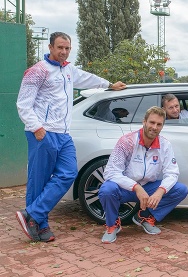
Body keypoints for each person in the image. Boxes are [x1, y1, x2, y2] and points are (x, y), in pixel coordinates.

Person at [16, 31, 127, 242]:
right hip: (43, 132)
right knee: (38, 180)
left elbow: (87, 78)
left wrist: (109, 84)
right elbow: (23, 104)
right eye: (60, 48)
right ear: (50, 47)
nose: (64, 52)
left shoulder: (68, 69)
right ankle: (40, 226)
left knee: (67, 174)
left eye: (67, 48)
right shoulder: (37, 71)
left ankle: (32, 214)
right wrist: (36, 127)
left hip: (64, 134)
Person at [98, 106, 188, 243]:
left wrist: (160, 191)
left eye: (159, 124)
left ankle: (144, 217)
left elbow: (172, 173)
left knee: (180, 190)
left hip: (148, 187)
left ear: (162, 126)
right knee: (107, 189)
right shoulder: (127, 141)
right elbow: (111, 172)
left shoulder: (165, 145)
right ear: (144, 122)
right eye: (152, 122)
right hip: (126, 187)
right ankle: (112, 225)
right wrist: (135, 187)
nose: (154, 127)